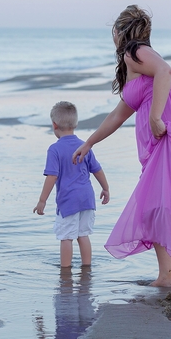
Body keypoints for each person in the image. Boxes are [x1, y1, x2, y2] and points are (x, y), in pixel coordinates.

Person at [73, 5, 171, 307]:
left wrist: (155, 117)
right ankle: (167, 276)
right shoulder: (133, 65)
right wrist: (90, 142)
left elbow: (165, 71)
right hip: (164, 143)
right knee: (154, 206)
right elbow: (117, 115)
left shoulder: (135, 52)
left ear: (121, 31)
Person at [34, 101, 110, 268]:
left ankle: (66, 270)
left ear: (54, 125)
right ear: (75, 123)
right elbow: (97, 169)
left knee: (66, 237)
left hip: (68, 200)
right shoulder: (85, 146)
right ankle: (87, 267)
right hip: (87, 199)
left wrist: (42, 200)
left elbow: (52, 176)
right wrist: (105, 188)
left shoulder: (55, 149)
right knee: (83, 235)